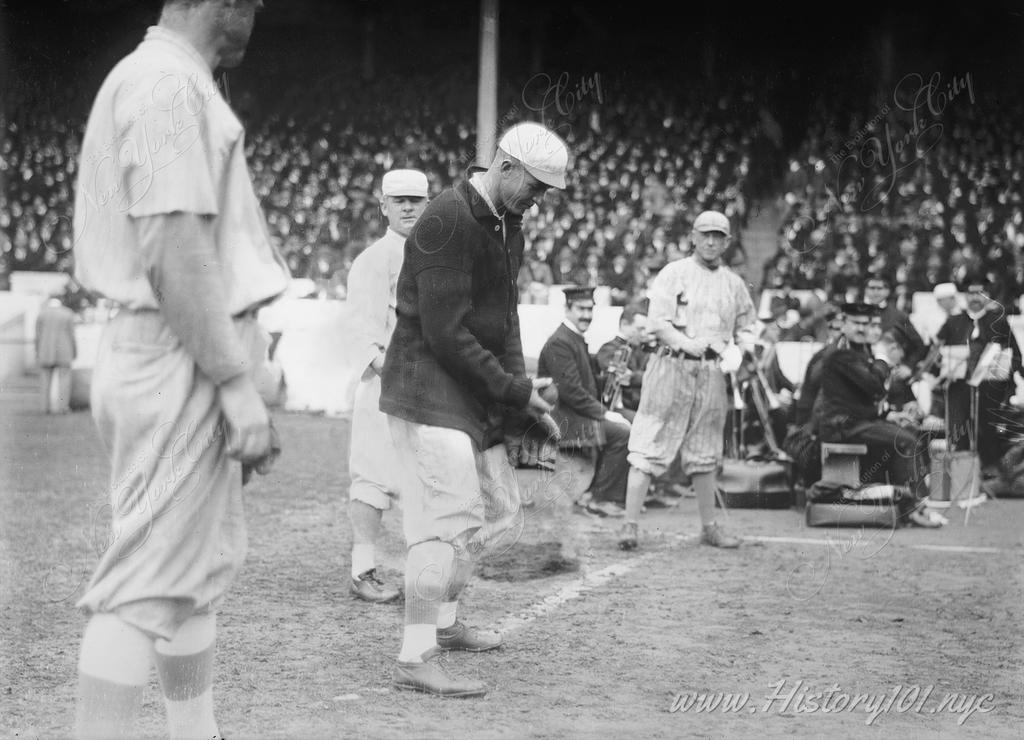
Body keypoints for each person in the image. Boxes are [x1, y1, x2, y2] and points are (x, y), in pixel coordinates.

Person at [70, 2, 287, 737]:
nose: (256, 11)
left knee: (189, 575)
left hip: (175, 349)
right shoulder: (165, 82)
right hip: (175, 354)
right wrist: (232, 381)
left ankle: (196, 731)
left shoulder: (176, 78)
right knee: (145, 582)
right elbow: (172, 242)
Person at [379, 121, 567, 697]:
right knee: (444, 524)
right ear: (505, 166)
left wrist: (520, 395)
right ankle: (416, 655)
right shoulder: (444, 219)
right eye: (534, 186)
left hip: (469, 391)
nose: (538, 201)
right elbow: (445, 334)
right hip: (427, 386)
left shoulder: (510, 225)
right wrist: (513, 392)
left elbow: (505, 320)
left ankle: (445, 620)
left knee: (502, 509)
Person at [618, 210, 759, 550]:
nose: (711, 241)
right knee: (648, 442)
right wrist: (687, 344)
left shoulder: (734, 283)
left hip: (711, 373)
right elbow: (658, 322)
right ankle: (629, 525)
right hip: (671, 365)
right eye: (705, 234)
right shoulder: (674, 273)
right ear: (693, 237)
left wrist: (740, 350)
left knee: (705, 450)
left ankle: (709, 527)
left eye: (718, 236)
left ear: (727, 242)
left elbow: (748, 325)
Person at [344, 168, 429, 603]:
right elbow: (362, 333)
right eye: (400, 200)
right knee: (373, 478)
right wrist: (392, 376)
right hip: (385, 385)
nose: (410, 207)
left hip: (426, 388)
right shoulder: (375, 259)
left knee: (426, 480)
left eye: (417, 199)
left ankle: (425, 570)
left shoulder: (433, 254)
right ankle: (363, 570)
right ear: (384, 207)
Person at [814, 303, 939, 527]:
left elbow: (867, 394)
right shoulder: (840, 353)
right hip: (842, 425)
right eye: (857, 324)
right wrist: (882, 359)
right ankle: (914, 508)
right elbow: (874, 385)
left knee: (908, 433)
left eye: (867, 324)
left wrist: (889, 414)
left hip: (857, 421)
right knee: (906, 440)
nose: (863, 329)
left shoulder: (857, 350)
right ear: (843, 324)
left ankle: (911, 504)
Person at [538, 286, 632, 517]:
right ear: (567, 309)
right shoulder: (561, 342)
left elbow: (584, 384)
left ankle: (592, 493)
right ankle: (600, 498)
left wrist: (609, 376)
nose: (586, 315)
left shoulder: (574, 338)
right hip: (564, 419)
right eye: (580, 309)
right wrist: (603, 413)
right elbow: (570, 391)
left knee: (632, 424)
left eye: (590, 309)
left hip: (576, 413)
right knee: (622, 433)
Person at [931, 274, 1022, 475]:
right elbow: (935, 353)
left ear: (987, 296)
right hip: (959, 386)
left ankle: (990, 469)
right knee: (959, 427)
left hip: (990, 387)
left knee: (989, 426)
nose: (975, 298)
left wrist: (1015, 377)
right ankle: (962, 469)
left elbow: (1014, 353)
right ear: (964, 296)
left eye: (980, 293)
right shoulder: (954, 321)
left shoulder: (998, 320)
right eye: (971, 293)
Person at [594, 304, 652, 415]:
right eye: (640, 329)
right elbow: (622, 376)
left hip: (637, 405)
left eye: (646, 329)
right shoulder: (609, 349)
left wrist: (635, 376)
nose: (644, 334)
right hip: (619, 407)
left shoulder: (639, 349)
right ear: (624, 324)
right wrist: (640, 376)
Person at [35, 294, 77, 414]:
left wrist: (37, 352)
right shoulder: (68, 313)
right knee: (64, 380)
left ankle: (44, 408)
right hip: (64, 351)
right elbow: (72, 335)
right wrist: (74, 351)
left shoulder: (42, 314)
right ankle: (62, 407)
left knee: (44, 380)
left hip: (45, 351)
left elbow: (37, 337)